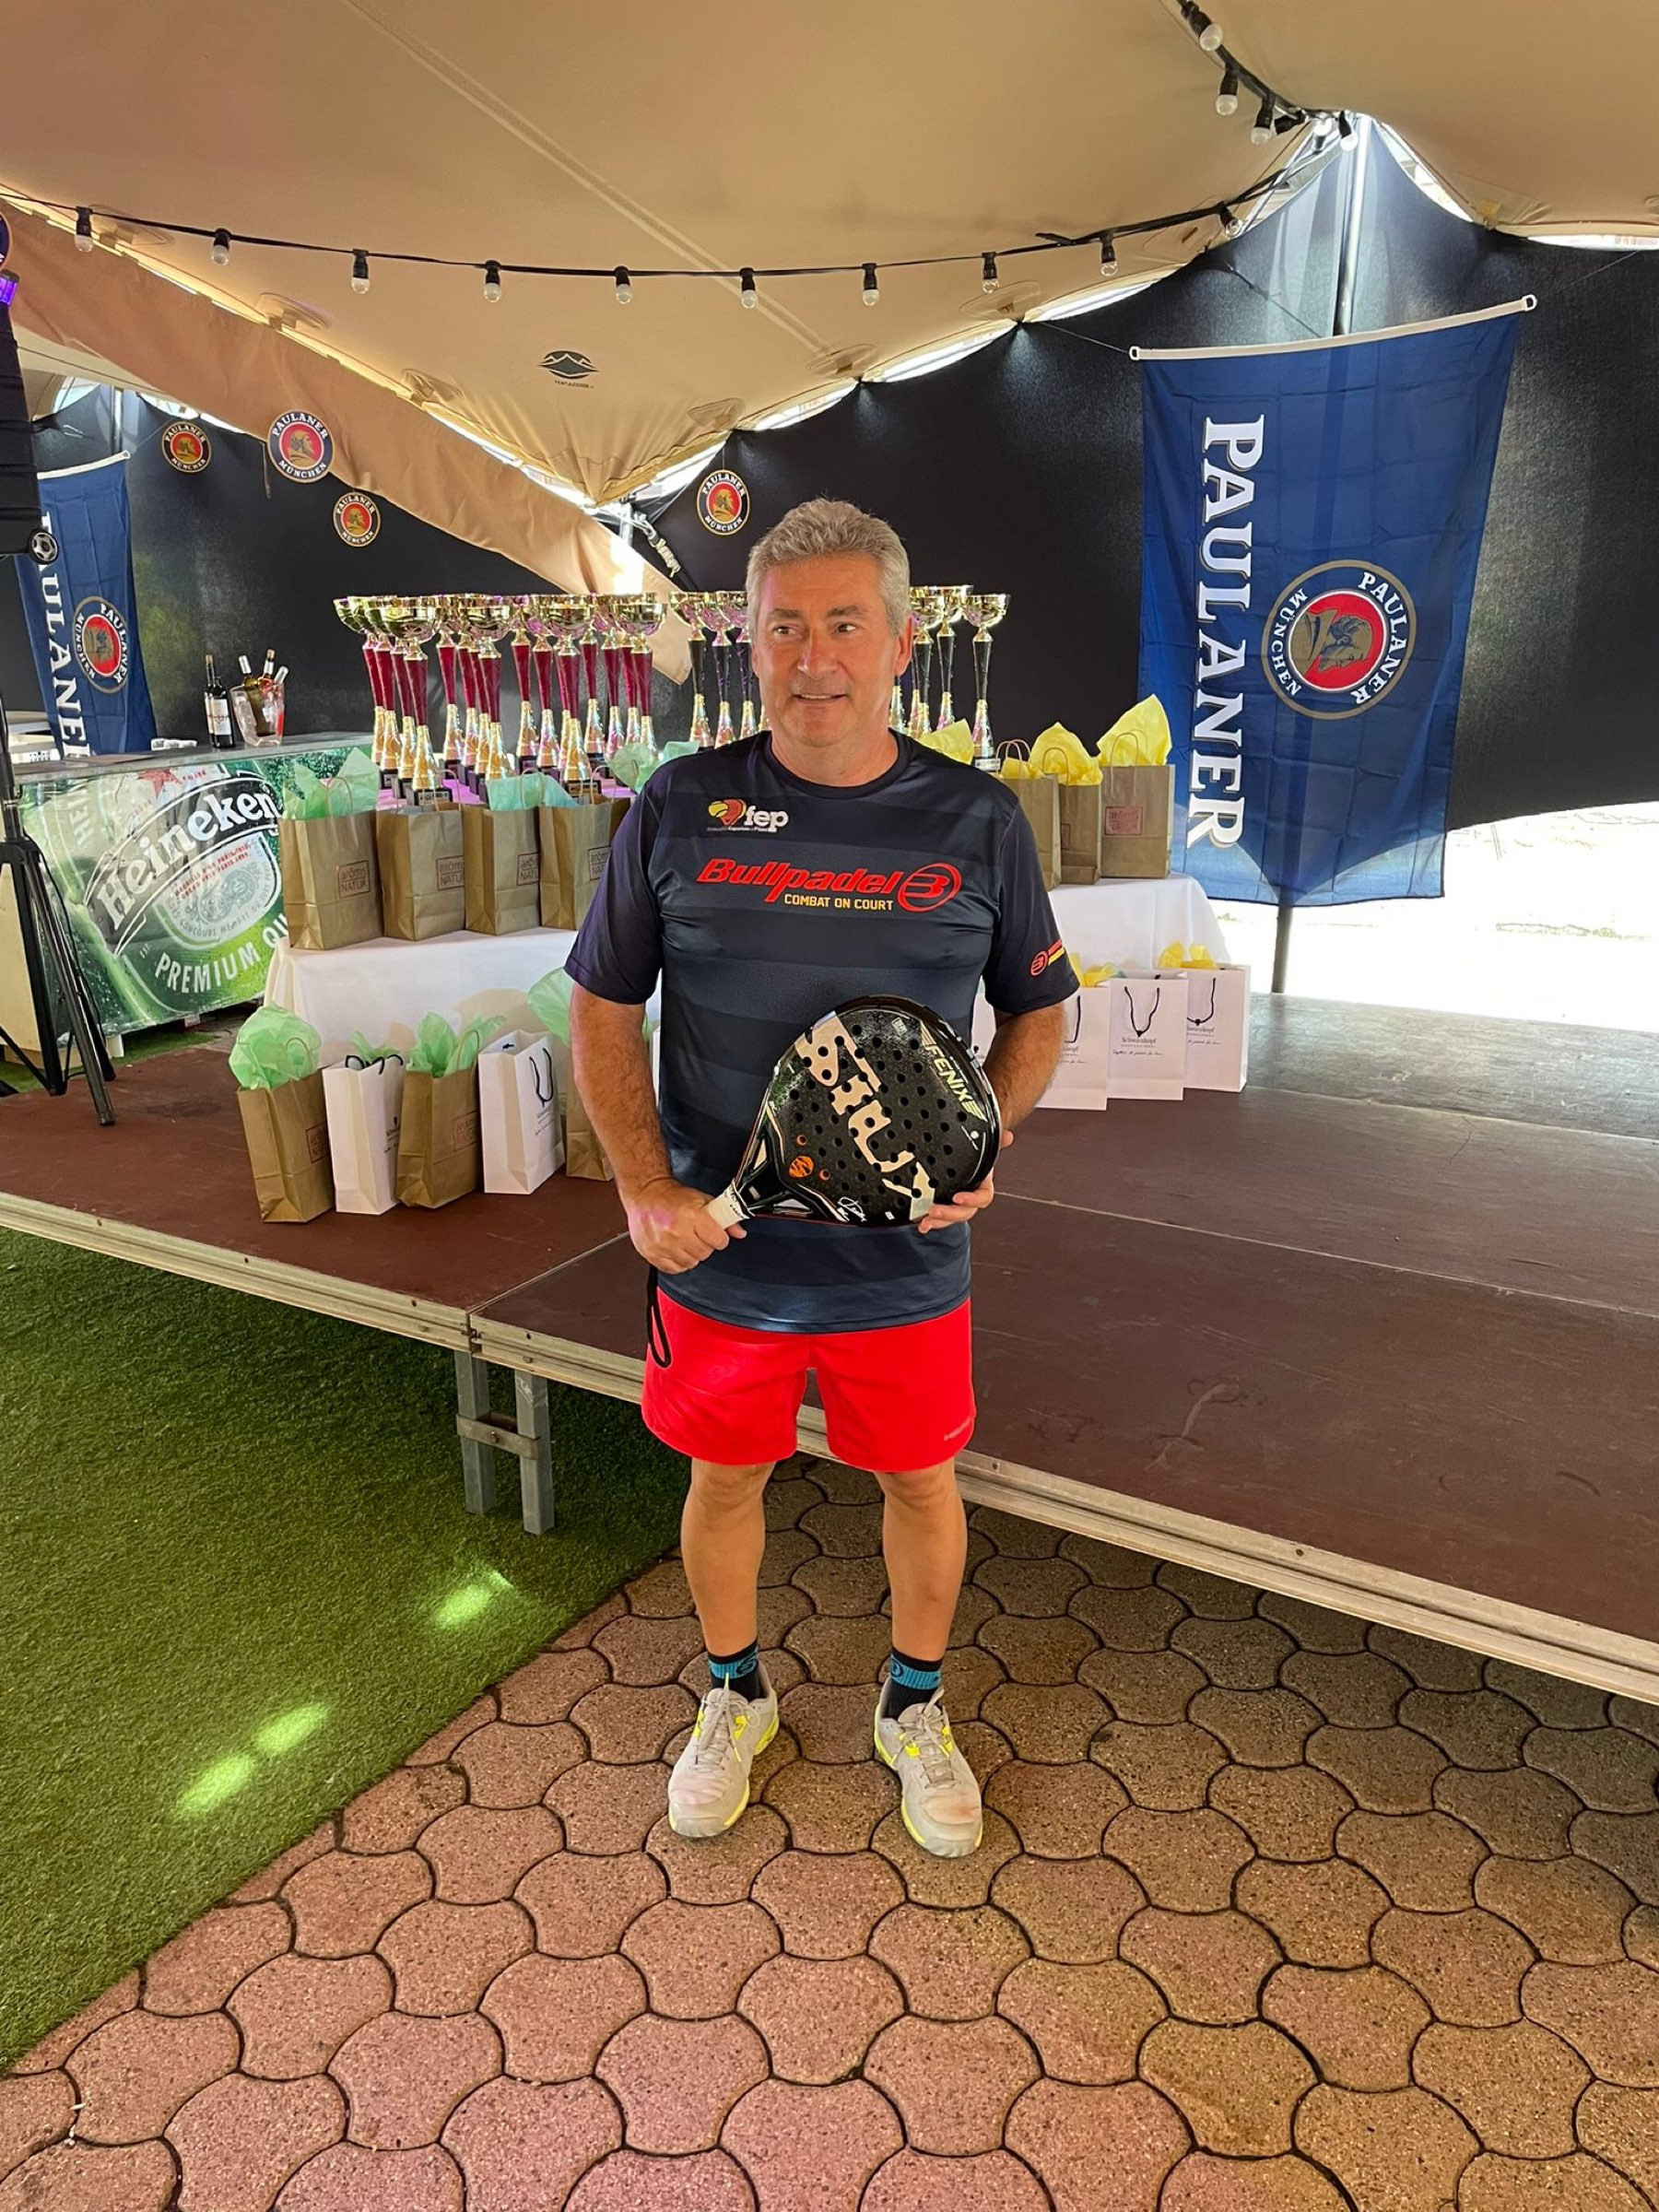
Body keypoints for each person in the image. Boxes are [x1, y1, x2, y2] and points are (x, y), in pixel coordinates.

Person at [568, 499, 1076, 1857]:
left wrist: (985, 1131)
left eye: (845, 624)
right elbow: (602, 1007)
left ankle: (914, 1705)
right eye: (784, 626)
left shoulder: (977, 819)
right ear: (749, 641)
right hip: (722, 1264)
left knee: (920, 1483)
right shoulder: (680, 805)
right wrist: (645, 1190)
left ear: (901, 643)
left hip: (905, 1264)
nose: (813, 658)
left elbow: (1040, 1010)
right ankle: (735, 1694)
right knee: (724, 1478)